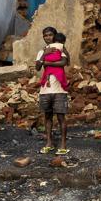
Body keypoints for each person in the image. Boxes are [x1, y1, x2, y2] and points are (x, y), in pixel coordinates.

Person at [35, 27, 72, 155]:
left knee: (61, 117)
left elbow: (64, 62)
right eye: (45, 35)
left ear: (55, 36)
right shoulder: (41, 51)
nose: (48, 37)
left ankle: (63, 144)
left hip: (59, 90)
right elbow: (37, 67)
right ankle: (49, 143)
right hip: (45, 90)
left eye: (50, 35)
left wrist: (46, 62)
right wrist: (45, 54)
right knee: (47, 117)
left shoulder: (60, 48)